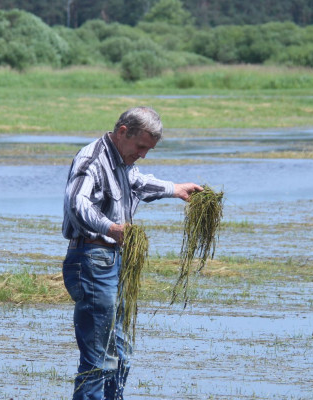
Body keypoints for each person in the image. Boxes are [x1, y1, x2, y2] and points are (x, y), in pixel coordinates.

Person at [61, 106, 202, 400]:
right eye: (141, 147)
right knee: (99, 356)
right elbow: (77, 204)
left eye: (148, 149)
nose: (143, 154)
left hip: (118, 261)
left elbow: (138, 183)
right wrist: (111, 228)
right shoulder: (92, 160)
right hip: (92, 260)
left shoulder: (123, 163)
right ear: (123, 132)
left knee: (121, 351)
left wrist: (175, 189)